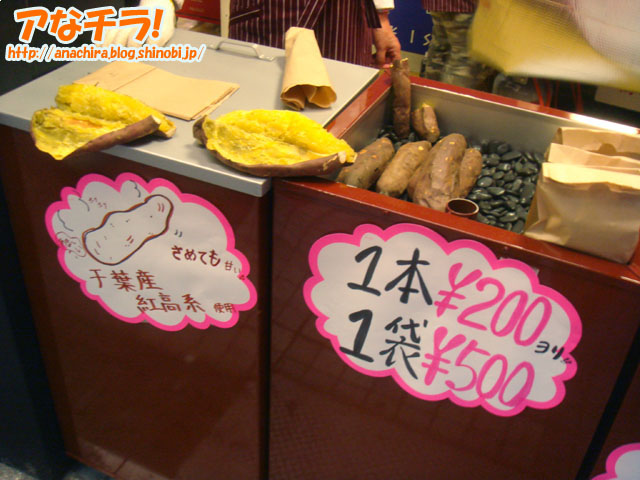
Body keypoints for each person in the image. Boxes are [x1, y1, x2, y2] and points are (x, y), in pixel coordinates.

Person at [228, 0, 402, 67]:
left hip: (345, 15)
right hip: (273, 10)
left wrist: (381, 17)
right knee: (257, 99)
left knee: (342, 108)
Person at [420, 0, 495, 91]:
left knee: (440, 52)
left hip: (436, 3)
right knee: (465, 59)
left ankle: (429, 96)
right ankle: (448, 98)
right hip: (465, 5)